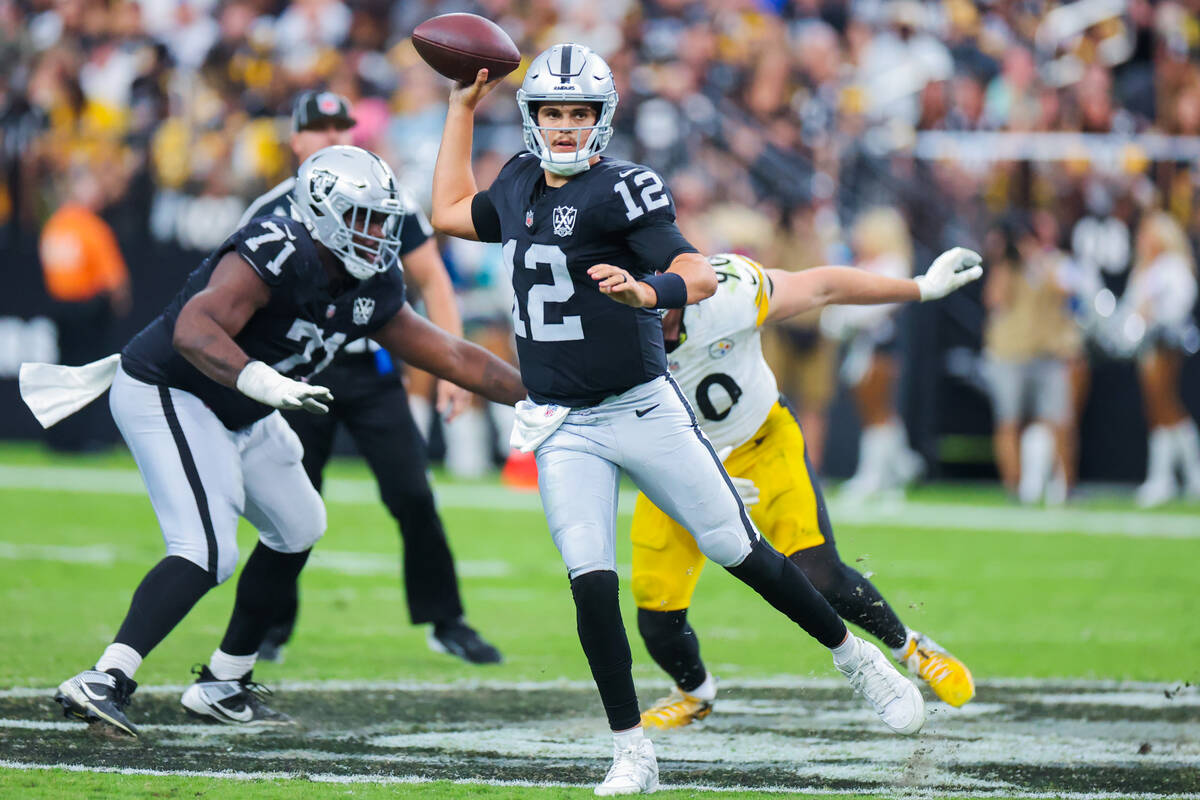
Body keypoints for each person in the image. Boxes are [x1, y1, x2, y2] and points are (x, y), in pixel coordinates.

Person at [431, 43, 928, 796]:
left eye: (580, 113)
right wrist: (459, 111)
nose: (565, 127)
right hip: (563, 422)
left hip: (640, 406)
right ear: (532, 116)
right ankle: (633, 750)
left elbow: (695, 267)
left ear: (602, 118)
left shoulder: (621, 190)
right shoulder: (518, 180)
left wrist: (650, 293)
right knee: (590, 580)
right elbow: (444, 212)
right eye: (553, 112)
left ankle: (857, 660)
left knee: (741, 548)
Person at [39, 145, 525, 737]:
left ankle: (225, 681)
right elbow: (195, 326)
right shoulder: (277, 248)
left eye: (383, 220)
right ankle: (104, 678)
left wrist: (543, 394)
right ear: (320, 211)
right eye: (363, 218)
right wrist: (260, 378)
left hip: (246, 405)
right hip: (172, 391)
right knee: (206, 550)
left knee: (300, 525)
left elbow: (450, 354)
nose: (377, 234)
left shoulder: (373, 280)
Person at [634, 252, 980, 730]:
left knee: (816, 570)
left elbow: (819, 287)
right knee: (656, 614)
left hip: (759, 438)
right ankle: (694, 694)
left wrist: (917, 287)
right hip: (675, 463)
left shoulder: (728, 293)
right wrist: (687, 476)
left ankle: (912, 647)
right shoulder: (606, 333)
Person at [238, 90, 500, 665]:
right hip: (298, 374)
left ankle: (445, 620)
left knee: (412, 493)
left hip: (370, 367)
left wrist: (451, 370)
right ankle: (267, 628)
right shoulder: (270, 209)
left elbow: (432, 279)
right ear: (296, 140)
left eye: (342, 127)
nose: (333, 137)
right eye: (320, 128)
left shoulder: (387, 197)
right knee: (289, 505)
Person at [820, 208, 924, 498]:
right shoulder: (867, 263)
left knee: (877, 413)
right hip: (863, 346)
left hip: (880, 347)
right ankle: (900, 469)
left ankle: (875, 476)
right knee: (876, 412)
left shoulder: (892, 264)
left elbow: (873, 308)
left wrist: (840, 319)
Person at [982, 215, 1082, 505]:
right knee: (1008, 421)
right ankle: (1013, 487)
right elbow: (995, 300)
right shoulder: (1006, 267)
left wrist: (1039, 261)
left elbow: (1068, 292)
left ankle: (1065, 485)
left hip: (1048, 353)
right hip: (1009, 353)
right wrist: (1003, 260)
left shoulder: (1057, 263)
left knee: (1061, 420)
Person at [38, 165, 132, 451]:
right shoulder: (91, 227)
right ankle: (89, 437)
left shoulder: (55, 224)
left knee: (63, 371)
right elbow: (116, 281)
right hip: (89, 310)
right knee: (91, 374)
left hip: (61, 309)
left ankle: (60, 437)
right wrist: (117, 306)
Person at [1112, 211, 1200, 505]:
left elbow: (1180, 303)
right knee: (1158, 410)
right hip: (1146, 345)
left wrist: (1154, 314)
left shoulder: (1173, 267)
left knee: (1166, 406)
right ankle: (1172, 477)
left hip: (1166, 343)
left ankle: (1183, 476)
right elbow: (1130, 307)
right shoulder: (1144, 270)